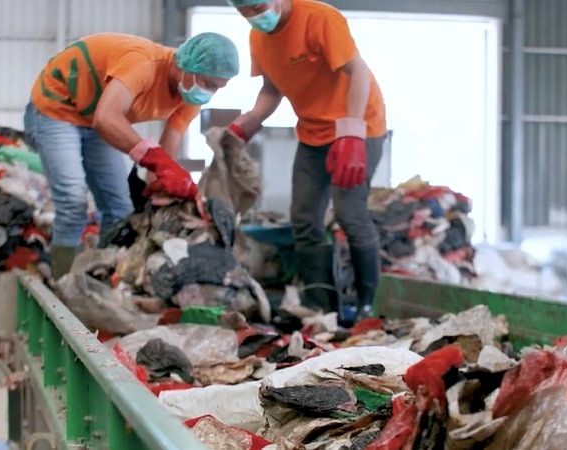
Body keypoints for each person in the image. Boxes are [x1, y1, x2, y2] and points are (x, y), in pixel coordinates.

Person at [23, 32, 239, 278]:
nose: (211, 93)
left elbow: (167, 153)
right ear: (187, 65)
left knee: (120, 210)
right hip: (58, 108)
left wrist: (162, 190)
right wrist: (156, 162)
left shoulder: (188, 94)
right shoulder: (144, 65)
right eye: (209, 83)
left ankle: (99, 280)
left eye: (218, 88)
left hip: (95, 118)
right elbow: (106, 117)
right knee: (73, 203)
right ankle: (60, 284)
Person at [223, 0, 387, 322]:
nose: (255, 15)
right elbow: (271, 89)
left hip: (358, 126)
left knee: (349, 213)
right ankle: (322, 307)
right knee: (304, 218)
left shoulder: (319, 18)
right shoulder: (259, 36)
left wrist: (352, 133)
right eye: (245, 11)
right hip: (313, 133)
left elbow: (356, 71)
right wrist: (249, 122)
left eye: (258, 6)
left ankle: (369, 305)